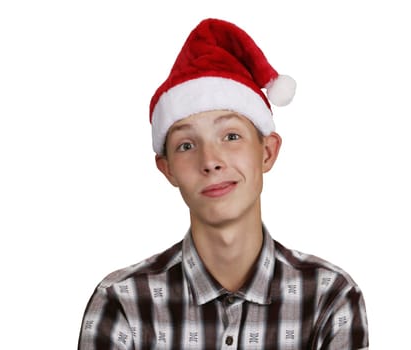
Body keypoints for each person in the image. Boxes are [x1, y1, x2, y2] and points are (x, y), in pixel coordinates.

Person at [78, 18, 369, 349]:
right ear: (167, 168)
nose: (210, 161)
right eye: (186, 145)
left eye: (231, 136)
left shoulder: (328, 298)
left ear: (267, 152)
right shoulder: (122, 302)